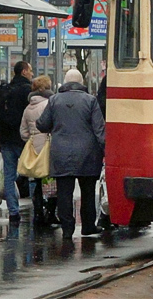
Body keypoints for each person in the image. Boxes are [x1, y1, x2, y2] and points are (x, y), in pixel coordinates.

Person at [37, 68, 105, 240]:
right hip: (87, 153)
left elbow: (42, 124)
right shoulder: (91, 101)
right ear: (81, 83)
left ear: (65, 82)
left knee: (64, 193)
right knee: (88, 192)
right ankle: (88, 226)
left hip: (61, 152)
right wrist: (106, 150)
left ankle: (67, 229)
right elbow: (99, 130)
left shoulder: (54, 100)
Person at [0, 60, 33, 223]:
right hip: (23, 139)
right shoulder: (27, 91)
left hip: (5, 139)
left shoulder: (4, 90)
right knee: (32, 173)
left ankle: (13, 212)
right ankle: (36, 210)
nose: (32, 74)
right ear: (23, 72)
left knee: (9, 176)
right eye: (30, 71)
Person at [20, 75, 59, 228]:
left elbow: (23, 132)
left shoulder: (28, 108)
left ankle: (37, 212)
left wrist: (32, 138)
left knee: (37, 180)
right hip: (49, 147)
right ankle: (50, 212)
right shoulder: (49, 104)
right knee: (51, 181)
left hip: (34, 147)